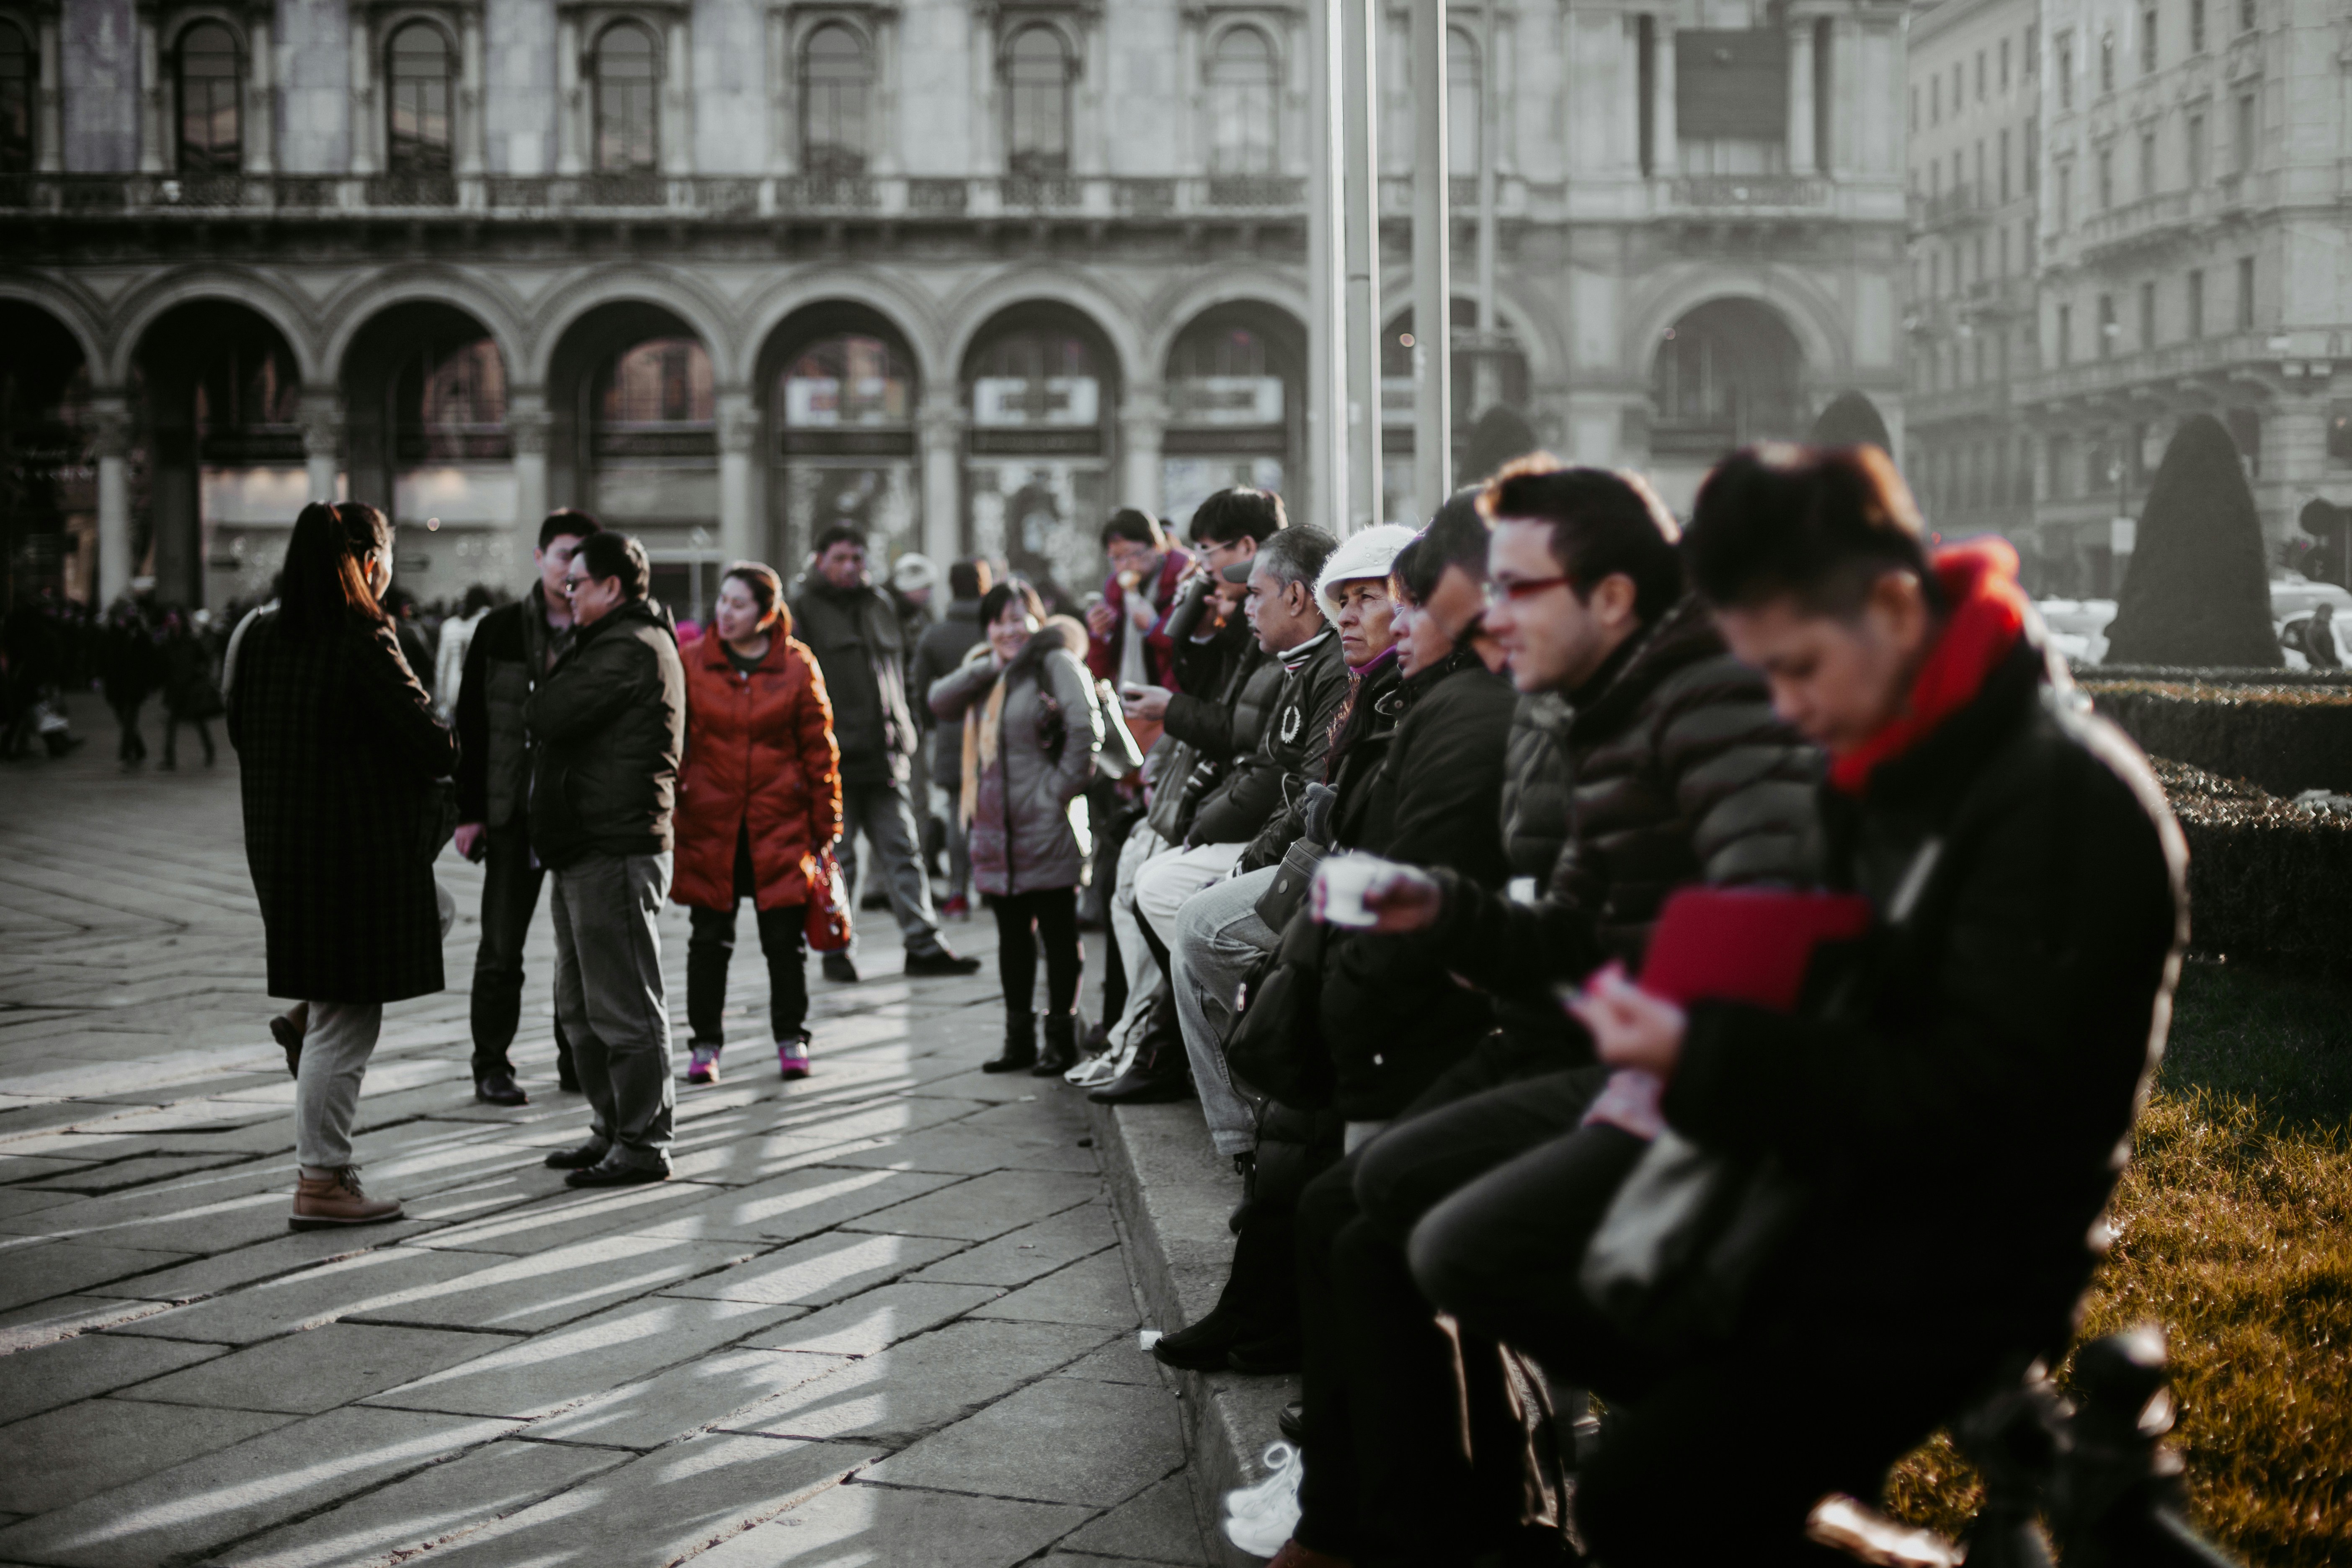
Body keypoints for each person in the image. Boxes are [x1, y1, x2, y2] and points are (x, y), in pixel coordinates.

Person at [1406, 444, 2188, 1567]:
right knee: (1477, 1259)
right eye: (1762, 674)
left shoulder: (2054, 793)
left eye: (1799, 667)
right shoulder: (1897, 748)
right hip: (1822, 1182)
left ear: (1888, 604)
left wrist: (1700, 1049)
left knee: (1638, 1491)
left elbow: (1979, 1103)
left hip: (1949, 1248)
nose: (1788, 707)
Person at [1268, 461, 1817, 1568]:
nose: (1490, 620)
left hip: (1720, 1081)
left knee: (1413, 1219)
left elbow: (1766, 928)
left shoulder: (1706, 686)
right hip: (1602, 1044)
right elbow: (1569, 928)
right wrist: (1446, 914)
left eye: (1515, 593)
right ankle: (1435, 1528)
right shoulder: (1599, 699)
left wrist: (1501, 952)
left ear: (1611, 597)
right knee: (1360, 1212)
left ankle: (1709, 1423)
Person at [1149, 526, 1413, 1158]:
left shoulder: (1386, 685)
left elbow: (1294, 789)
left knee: (1195, 919)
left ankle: (1272, 1098)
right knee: (1180, 911)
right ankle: (1244, 1126)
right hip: (1321, 861)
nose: (1347, 616)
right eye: (1341, 601)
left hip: (1361, 885)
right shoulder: (1350, 676)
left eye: (1366, 599)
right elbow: (1299, 780)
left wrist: (1249, 849)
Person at [230, 501, 456, 1229]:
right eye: (384, 556)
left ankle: (303, 1022)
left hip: (285, 847)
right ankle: (322, 1179)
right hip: (351, 857)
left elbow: (239, 726)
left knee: (436, 913)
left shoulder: (258, 636)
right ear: (366, 560)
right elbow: (432, 746)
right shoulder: (363, 639)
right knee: (347, 1021)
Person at [1092, 524, 1344, 1107]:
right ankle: (1204, 1065)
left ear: (1297, 596)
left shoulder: (1325, 663)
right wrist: (1192, 632)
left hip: (1306, 855)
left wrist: (1226, 849)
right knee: (1145, 881)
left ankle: (1249, 1055)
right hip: (1276, 839)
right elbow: (1268, 764)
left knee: (1184, 908)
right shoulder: (1296, 658)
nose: (1239, 607)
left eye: (1248, 595)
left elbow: (1294, 788)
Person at [531, 531, 689, 1188]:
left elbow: (549, 711)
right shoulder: (606, 643)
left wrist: (541, 689)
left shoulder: (631, 647)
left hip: (615, 846)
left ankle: (644, 1140)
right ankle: (612, 1126)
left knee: (623, 1003)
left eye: (578, 584)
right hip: (583, 846)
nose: (567, 594)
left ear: (613, 588)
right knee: (581, 1008)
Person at [672, 562, 842, 1085]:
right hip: (709, 821)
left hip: (780, 823)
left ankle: (791, 1038)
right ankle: (704, 1046)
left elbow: (820, 751)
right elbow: (675, 739)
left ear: (767, 614)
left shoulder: (796, 665)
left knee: (783, 941)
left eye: (739, 604)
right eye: (723, 601)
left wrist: (826, 823)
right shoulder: (691, 661)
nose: (726, 612)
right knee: (708, 940)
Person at [452, 509, 601, 1105]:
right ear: (540, 557)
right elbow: (472, 721)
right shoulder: (500, 629)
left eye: (584, 558)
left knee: (582, 949)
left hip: (577, 811)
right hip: (512, 810)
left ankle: (576, 1058)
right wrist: (469, 811)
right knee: (500, 948)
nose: (572, 567)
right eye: (564, 554)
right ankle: (492, 1064)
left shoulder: (602, 628)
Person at [928, 578, 1105, 1075]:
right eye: (999, 620)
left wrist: (1058, 793)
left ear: (1037, 620)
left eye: (1018, 618)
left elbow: (1085, 727)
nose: (1010, 629)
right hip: (993, 829)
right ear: (988, 626)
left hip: (1046, 823)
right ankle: (1018, 1040)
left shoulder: (1056, 662)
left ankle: (1061, 1039)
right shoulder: (986, 671)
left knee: (1057, 933)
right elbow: (940, 702)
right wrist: (991, 666)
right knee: (1011, 937)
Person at [791, 524, 979, 982]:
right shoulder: (802, 609)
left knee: (904, 851)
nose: (851, 567)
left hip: (886, 753)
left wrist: (908, 727)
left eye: (858, 558)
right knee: (841, 861)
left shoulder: (879, 603)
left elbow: (900, 673)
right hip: (832, 758)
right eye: (841, 558)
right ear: (819, 560)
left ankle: (923, 944)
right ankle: (837, 949)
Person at [911, 557, 993, 920]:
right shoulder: (996, 629)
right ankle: (993, 886)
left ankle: (959, 891)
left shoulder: (935, 634)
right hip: (997, 730)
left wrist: (936, 723)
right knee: (994, 811)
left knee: (960, 810)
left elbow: (919, 688)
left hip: (951, 734)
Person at [1086, 508, 1194, 699]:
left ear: (1157, 546)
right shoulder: (1115, 589)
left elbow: (1191, 648)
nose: (1125, 565)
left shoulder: (1184, 578)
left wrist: (1153, 627)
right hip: (1125, 701)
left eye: (1132, 554)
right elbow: (1099, 669)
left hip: (1173, 700)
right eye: (1116, 558)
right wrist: (1098, 635)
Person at [157, 609, 221, 770]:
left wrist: (200, 675)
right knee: (172, 725)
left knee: (199, 723)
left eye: (175, 619)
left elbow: (204, 659)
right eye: (170, 620)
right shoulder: (168, 642)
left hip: (191, 688)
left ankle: (210, 752)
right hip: (175, 689)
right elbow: (164, 665)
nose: (173, 623)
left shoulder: (191, 641)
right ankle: (170, 759)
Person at [100, 599, 159, 768]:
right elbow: (104, 658)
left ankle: (125, 756)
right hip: (116, 686)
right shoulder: (110, 633)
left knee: (128, 720)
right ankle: (140, 749)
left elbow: (150, 660)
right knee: (124, 720)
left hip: (134, 685)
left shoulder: (139, 634)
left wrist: (149, 683)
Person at [435, 583, 495, 720]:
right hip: (479, 691)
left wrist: (440, 699)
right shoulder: (485, 623)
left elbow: (441, 667)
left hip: (452, 690)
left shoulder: (449, 627)